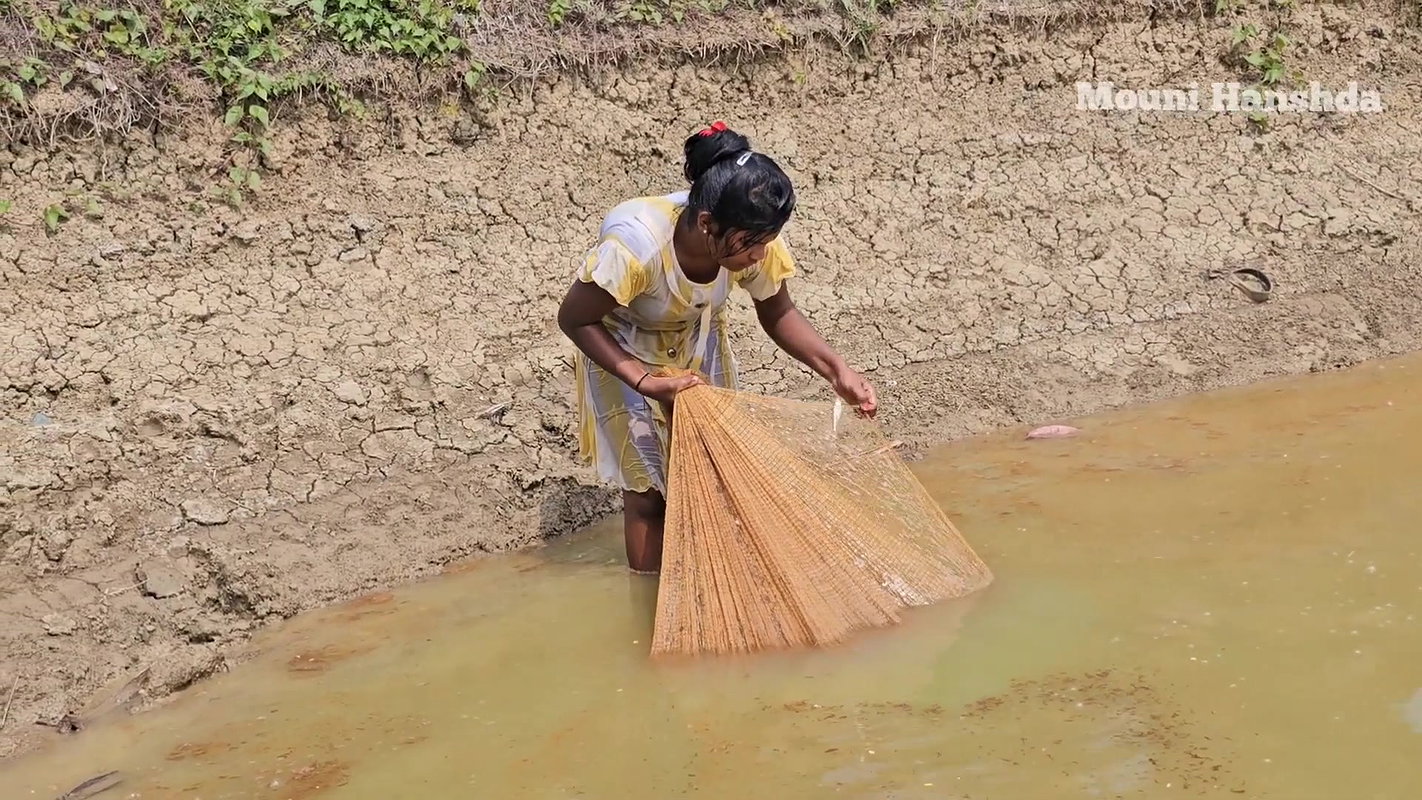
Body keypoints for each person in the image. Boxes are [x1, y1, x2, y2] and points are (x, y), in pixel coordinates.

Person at [556, 120, 878, 574]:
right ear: (707, 223)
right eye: (752, 244)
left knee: (719, 476)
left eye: (767, 241)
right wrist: (644, 381)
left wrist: (836, 371)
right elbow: (575, 318)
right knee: (649, 494)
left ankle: (716, 578)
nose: (760, 255)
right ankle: (654, 599)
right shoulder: (637, 247)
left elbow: (777, 311)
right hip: (620, 347)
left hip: (696, 336)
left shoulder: (749, 236)